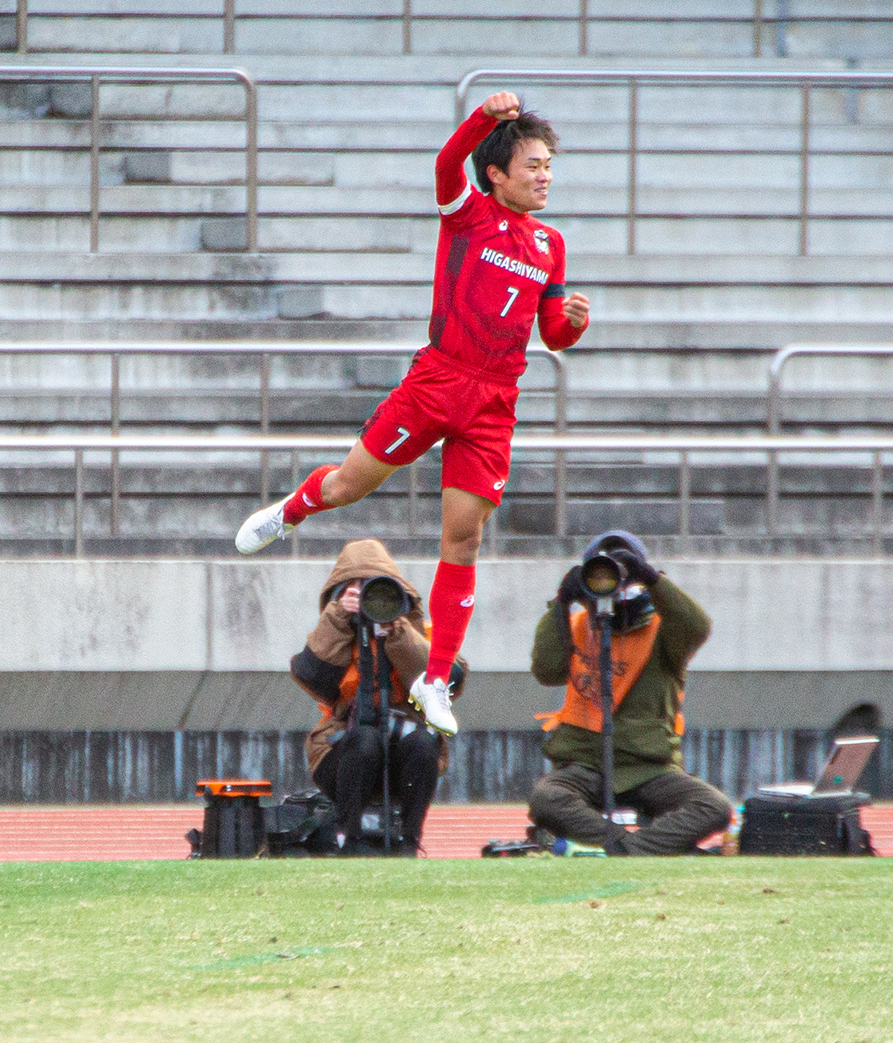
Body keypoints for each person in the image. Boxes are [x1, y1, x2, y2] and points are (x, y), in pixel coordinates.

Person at [236, 92, 591, 738]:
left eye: (549, 167)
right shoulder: (467, 215)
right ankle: (287, 513)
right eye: (533, 165)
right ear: (498, 174)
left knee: (464, 536)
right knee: (347, 487)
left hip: (494, 401)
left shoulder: (552, 244)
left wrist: (570, 327)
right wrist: (485, 118)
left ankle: (435, 678)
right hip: (438, 380)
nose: (544, 177)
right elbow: (444, 163)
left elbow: (549, 329)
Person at [526, 531, 732, 856]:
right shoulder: (577, 625)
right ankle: (632, 848)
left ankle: (622, 850)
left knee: (714, 806)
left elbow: (697, 627)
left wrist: (651, 578)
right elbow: (547, 670)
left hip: (649, 767)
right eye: (598, 571)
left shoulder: (664, 631)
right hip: (583, 763)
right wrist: (561, 604)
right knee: (545, 799)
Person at [288, 539, 460, 855]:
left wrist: (399, 632)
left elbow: (451, 682)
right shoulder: (333, 627)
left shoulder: (416, 630)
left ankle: (409, 843)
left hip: (404, 751)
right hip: (343, 753)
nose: (365, 596)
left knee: (425, 743)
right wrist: (337, 617)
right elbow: (311, 675)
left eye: (373, 588)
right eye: (352, 588)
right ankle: (348, 840)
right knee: (364, 739)